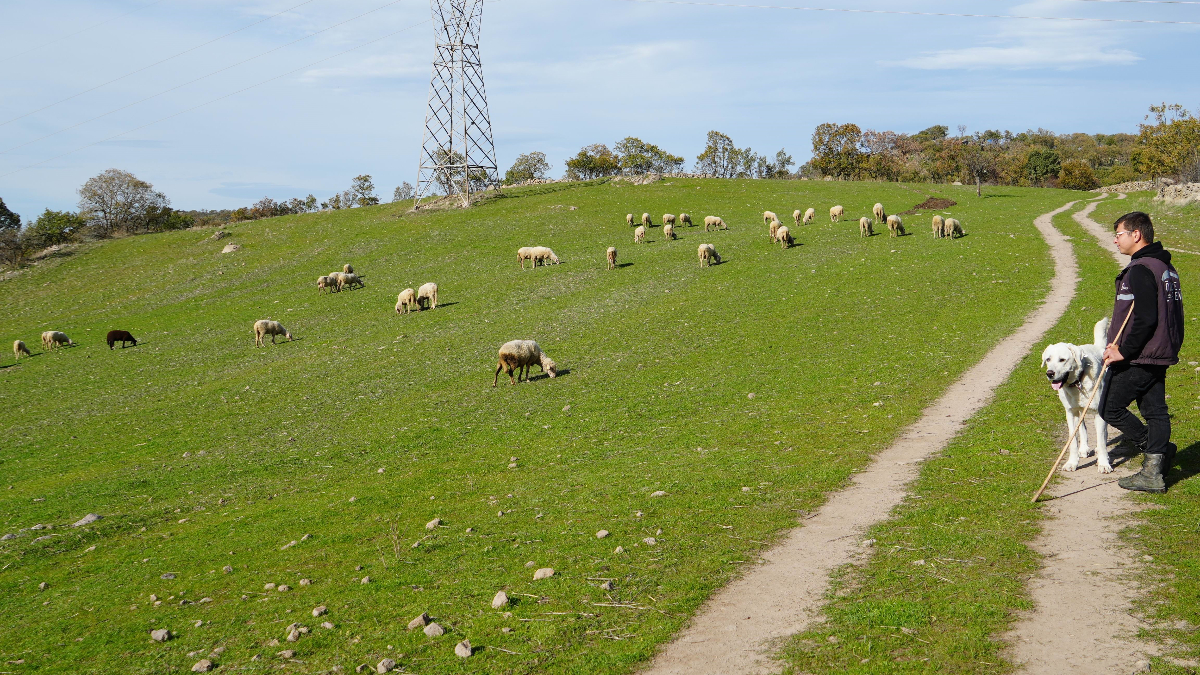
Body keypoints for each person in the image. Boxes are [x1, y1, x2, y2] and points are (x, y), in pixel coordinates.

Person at [1101, 211, 1185, 493]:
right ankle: (1155, 465)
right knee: (1155, 411)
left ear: (1136, 234)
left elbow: (1146, 318)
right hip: (1161, 349)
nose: (1115, 241)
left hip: (1142, 354)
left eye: (1118, 234)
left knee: (1109, 407)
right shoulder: (1165, 267)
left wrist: (1122, 351)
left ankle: (1156, 454)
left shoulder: (1141, 269)